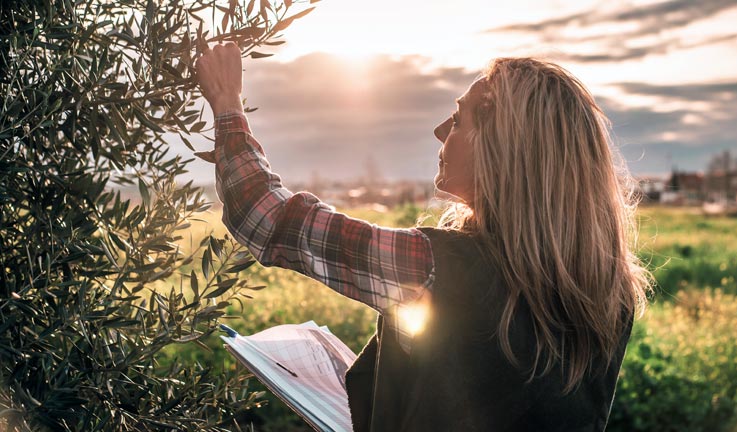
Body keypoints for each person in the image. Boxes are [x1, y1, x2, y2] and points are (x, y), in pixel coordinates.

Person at [195, 42, 651, 432]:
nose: (438, 132)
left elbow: (264, 216)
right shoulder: (613, 295)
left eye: (458, 120)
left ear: (502, 147)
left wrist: (227, 103)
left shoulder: (436, 268)